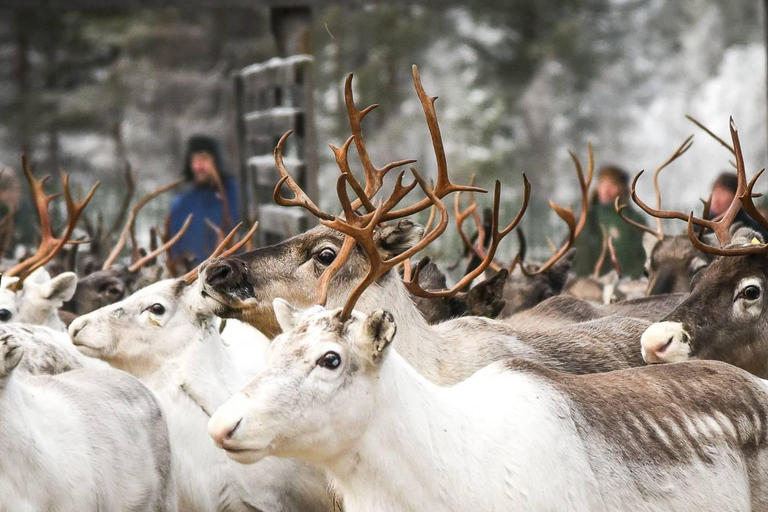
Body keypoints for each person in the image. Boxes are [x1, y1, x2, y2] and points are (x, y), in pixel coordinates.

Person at [168, 135, 240, 265]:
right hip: (196, 279)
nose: (198, 166)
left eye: (204, 159)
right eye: (194, 160)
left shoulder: (238, 195)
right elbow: (175, 254)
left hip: (235, 273)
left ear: (215, 161)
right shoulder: (181, 205)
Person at [571, 164, 647, 279]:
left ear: (622, 189)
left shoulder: (634, 220)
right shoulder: (585, 218)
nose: (606, 189)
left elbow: (642, 257)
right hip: (584, 284)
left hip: (623, 286)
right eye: (602, 184)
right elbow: (569, 252)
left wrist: (632, 278)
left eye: (612, 185)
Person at [706, 171, 768, 238]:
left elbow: (760, 243)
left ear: (736, 196)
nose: (716, 199)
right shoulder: (700, 229)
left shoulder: (754, 228)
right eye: (715, 193)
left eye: (723, 193)